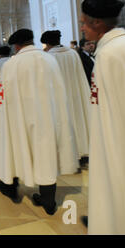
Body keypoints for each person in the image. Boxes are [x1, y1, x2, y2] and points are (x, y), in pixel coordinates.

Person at [0, 29, 78, 215]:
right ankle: (48, 202)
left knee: (18, 151)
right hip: (48, 118)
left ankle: (11, 187)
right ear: (31, 41)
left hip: (20, 120)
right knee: (46, 157)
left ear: (16, 46)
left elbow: (2, 99)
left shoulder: (11, 65)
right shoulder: (49, 59)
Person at [81, 0, 125, 235]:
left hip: (120, 145)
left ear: (97, 23)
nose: (82, 28)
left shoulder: (108, 55)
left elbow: (107, 114)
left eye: (84, 23)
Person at [42, 30, 91, 167]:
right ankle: (82, 153)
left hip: (58, 99)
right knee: (79, 123)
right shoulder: (73, 53)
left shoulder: (47, 57)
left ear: (47, 43)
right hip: (76, 96)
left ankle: (66, 156)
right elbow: (80, 76)